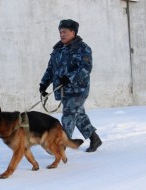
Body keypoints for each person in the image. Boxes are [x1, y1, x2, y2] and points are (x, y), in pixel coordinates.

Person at [39, 19, 102, 152]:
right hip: (63, 90)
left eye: (65, 32)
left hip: (78, 90)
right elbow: (51, 69)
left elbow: (85, 68)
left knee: (68, 115)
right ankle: (94, 138)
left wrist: (69, 78)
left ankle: (60, 146)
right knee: (78, 115)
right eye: (60, 32)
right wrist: (44, 84)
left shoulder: (83, 49)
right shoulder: (58, 50)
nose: (62, 34)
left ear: (73, 32)